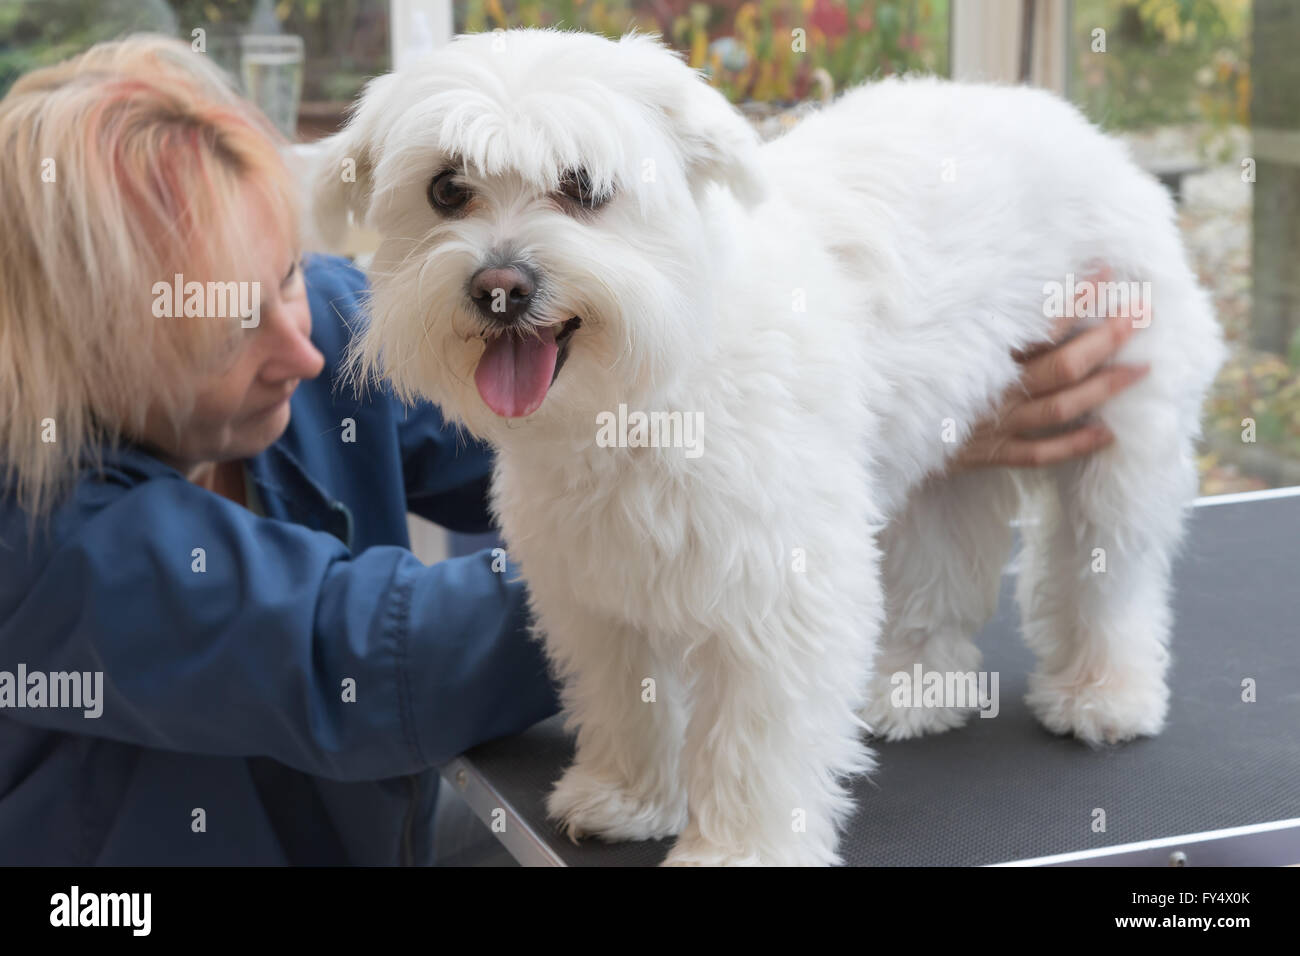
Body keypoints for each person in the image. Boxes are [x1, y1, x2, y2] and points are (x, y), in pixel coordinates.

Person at [0, 36, 1145, 866]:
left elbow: (560, 443)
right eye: (229, 319)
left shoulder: (335, 330)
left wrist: (848, 434)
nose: (304, 348)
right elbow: (366, 662)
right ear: (81, 350)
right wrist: (752, 528)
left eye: (291, 277)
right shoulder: (47, 541)